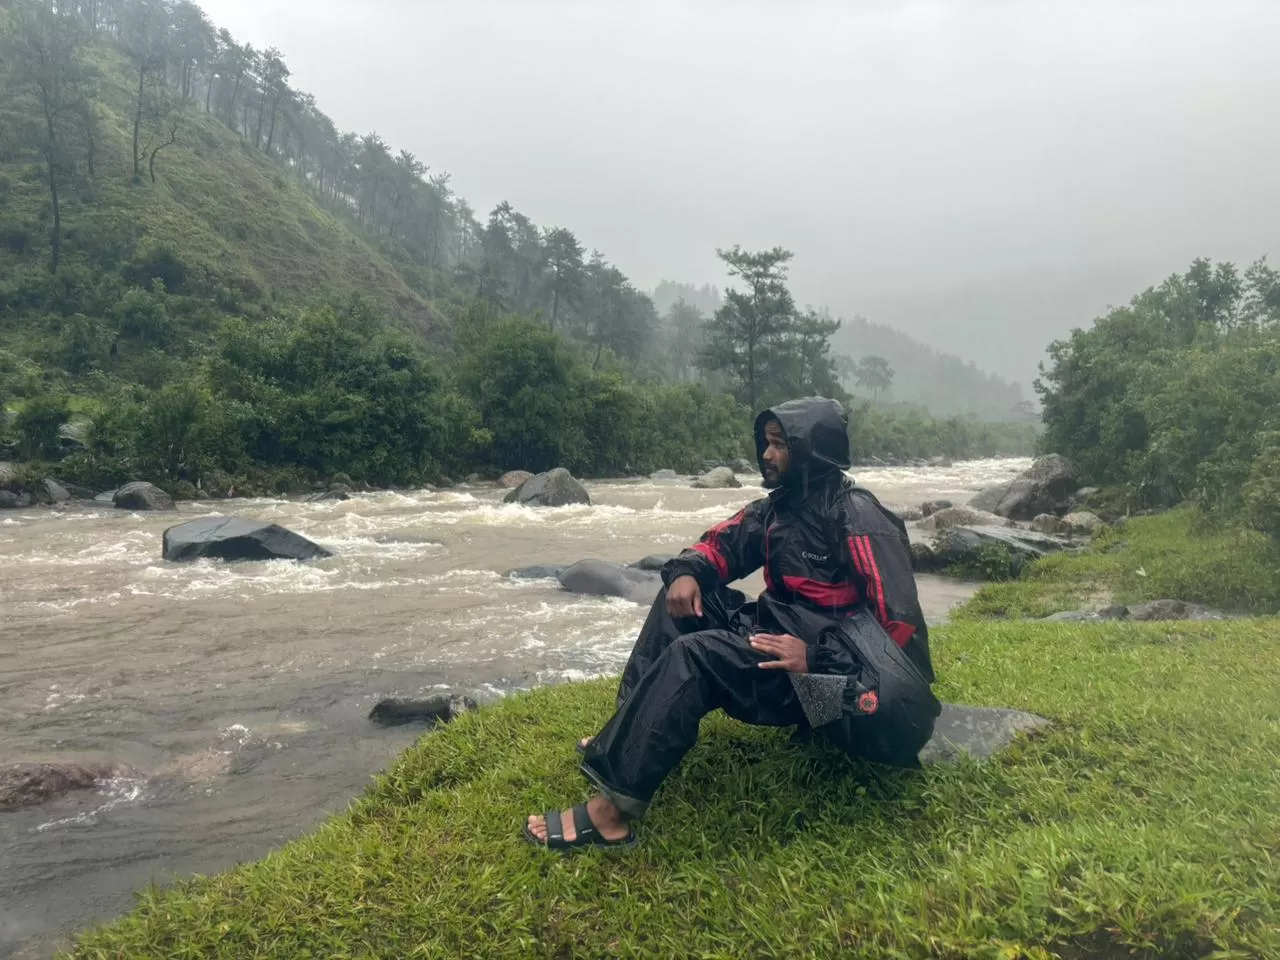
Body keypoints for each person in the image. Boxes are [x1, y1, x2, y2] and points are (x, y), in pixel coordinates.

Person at [525, 396, 940, 851]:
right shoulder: (775, 511)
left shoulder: (857, 516)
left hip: (836, 691)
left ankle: (610, 817)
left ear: (811, 451)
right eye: (766, 443)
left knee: (696, 657)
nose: (766, 455)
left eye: (779, 444)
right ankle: (627, 734)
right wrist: (687, 572)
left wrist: (817, 659)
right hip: (777, 639)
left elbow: (899, 633)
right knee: (678, 598)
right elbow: (716, 547)